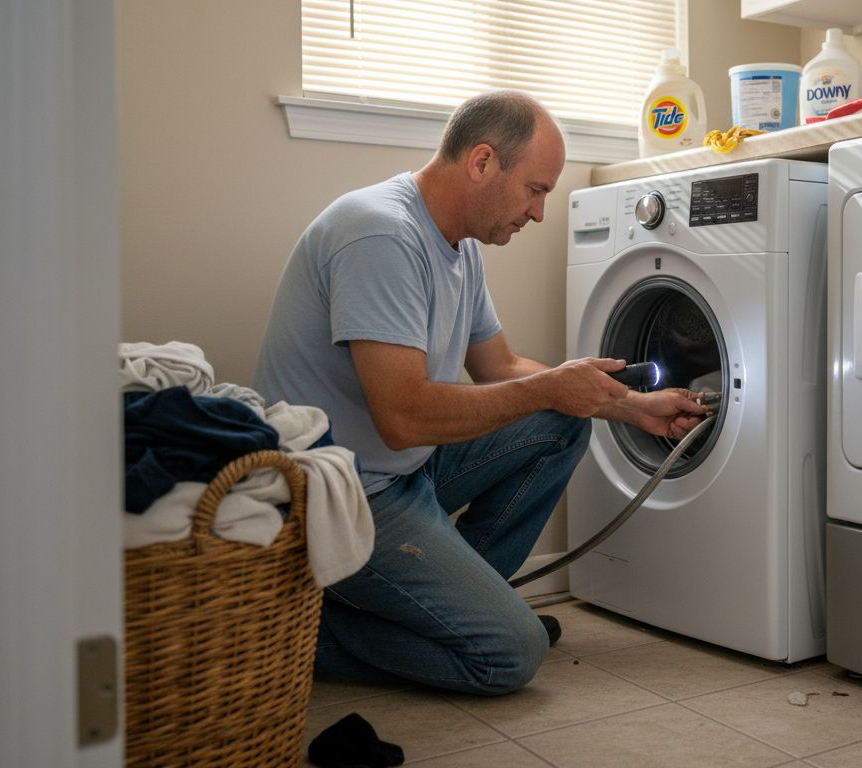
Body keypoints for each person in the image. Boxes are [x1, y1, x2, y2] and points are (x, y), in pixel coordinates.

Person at [253, 90, 707, 696]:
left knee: (560, 421)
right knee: (509, 655)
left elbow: (499, 366)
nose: (540, 213)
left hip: (400, 474)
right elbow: (403, 417)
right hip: (342, 495)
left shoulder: (460, 245)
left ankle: (460, 608)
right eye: (536, 190)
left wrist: (630, 408)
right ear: (482, 162)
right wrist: (552, 385)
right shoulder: (380, 235)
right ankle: (311, 633)